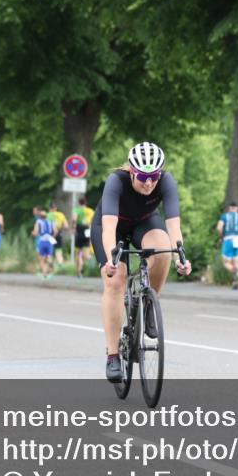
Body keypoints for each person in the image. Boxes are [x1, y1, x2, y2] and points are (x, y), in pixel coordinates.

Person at [93, 142, 192, 382]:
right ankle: (113, 355)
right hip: (111, 226)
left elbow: (173, 226)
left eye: (154, 176)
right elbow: (108, 228)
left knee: (162, 249)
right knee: (115, 281)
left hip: (144, 222)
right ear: (131, 171)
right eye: (143, 177)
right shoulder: (116, 181)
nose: (149, 183)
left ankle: (150, 303)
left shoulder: (166, 182)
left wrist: (182, 255)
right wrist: (110, 259)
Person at [217, 201, 238, 290]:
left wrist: (221, 237)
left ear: (229, 208)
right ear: (237, 209)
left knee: (226, 263)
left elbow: (219, 227)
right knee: (236, 262)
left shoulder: (224, 216)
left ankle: (233, 270)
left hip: (228, 239)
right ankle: (235, 281)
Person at [73, 196, 95, 278]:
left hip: (79, 230)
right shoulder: (90, 211)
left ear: (79, 203)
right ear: (86, 203)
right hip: (87, 231)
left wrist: (74, 228)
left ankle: (79, 270)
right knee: (85, 251)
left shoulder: (77, 210)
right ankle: (86, 258)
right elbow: (93, 222)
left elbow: (74, 219)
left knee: (78, 253)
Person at [32, 209, 56, 279]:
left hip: (42, 240)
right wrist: (52, 237)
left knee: (42, 258)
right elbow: (56, 231)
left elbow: (35, 232)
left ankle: (44, 274)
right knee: (49, 256)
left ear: (40, 216)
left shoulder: (38, 222)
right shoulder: (51, 221)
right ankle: (50, 263)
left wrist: (33, 234)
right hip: (49, 240)